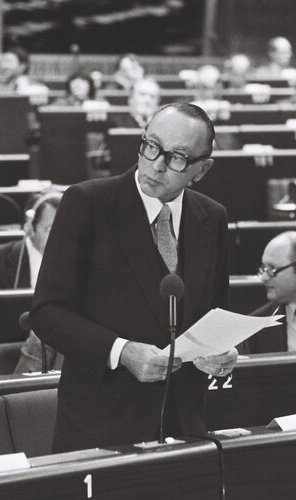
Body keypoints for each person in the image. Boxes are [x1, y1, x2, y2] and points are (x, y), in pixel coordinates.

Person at [31, 103, 235, 452]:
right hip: (102, 427)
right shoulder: (88, 203)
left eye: (177, 158)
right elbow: (47, 312)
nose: (156, 163)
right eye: (151, 145)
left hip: (185, 426)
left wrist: (222, 354)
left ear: (201, 169)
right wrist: (121, 351)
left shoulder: (211, 217)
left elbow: (214, 315)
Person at [0, 191, 64, 373]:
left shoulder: (76, 260)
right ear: (30, 227)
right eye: (51, 229)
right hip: (14, 346)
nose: (61, 238)